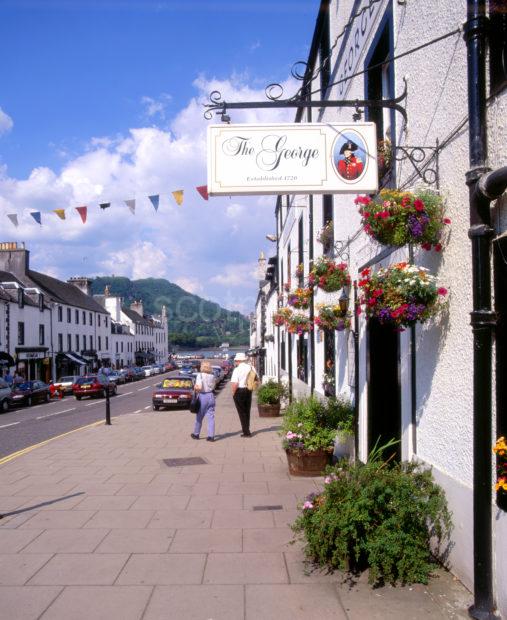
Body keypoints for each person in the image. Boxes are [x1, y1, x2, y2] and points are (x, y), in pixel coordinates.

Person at [230, 352, 258, 437]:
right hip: (249, 390)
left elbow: (235, 383)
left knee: (241, 412)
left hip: (239, 391)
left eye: (236, 361)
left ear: (238, 360)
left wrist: (233, 393)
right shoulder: (251, 367)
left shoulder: (237, 369)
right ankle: (247, 429)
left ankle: (246, 432)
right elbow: (256, 379)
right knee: (247, 410)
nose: (235, 362)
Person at [191, 360, 217, 442]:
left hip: (203, 396)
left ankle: (196, 433)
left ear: (202, 367)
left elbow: (199, 387)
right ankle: (211, 436)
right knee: (211, 417)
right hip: (211, 396)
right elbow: (213, 387)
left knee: (199, 416)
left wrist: (195, 387)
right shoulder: (212, 376)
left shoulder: (200, 376)